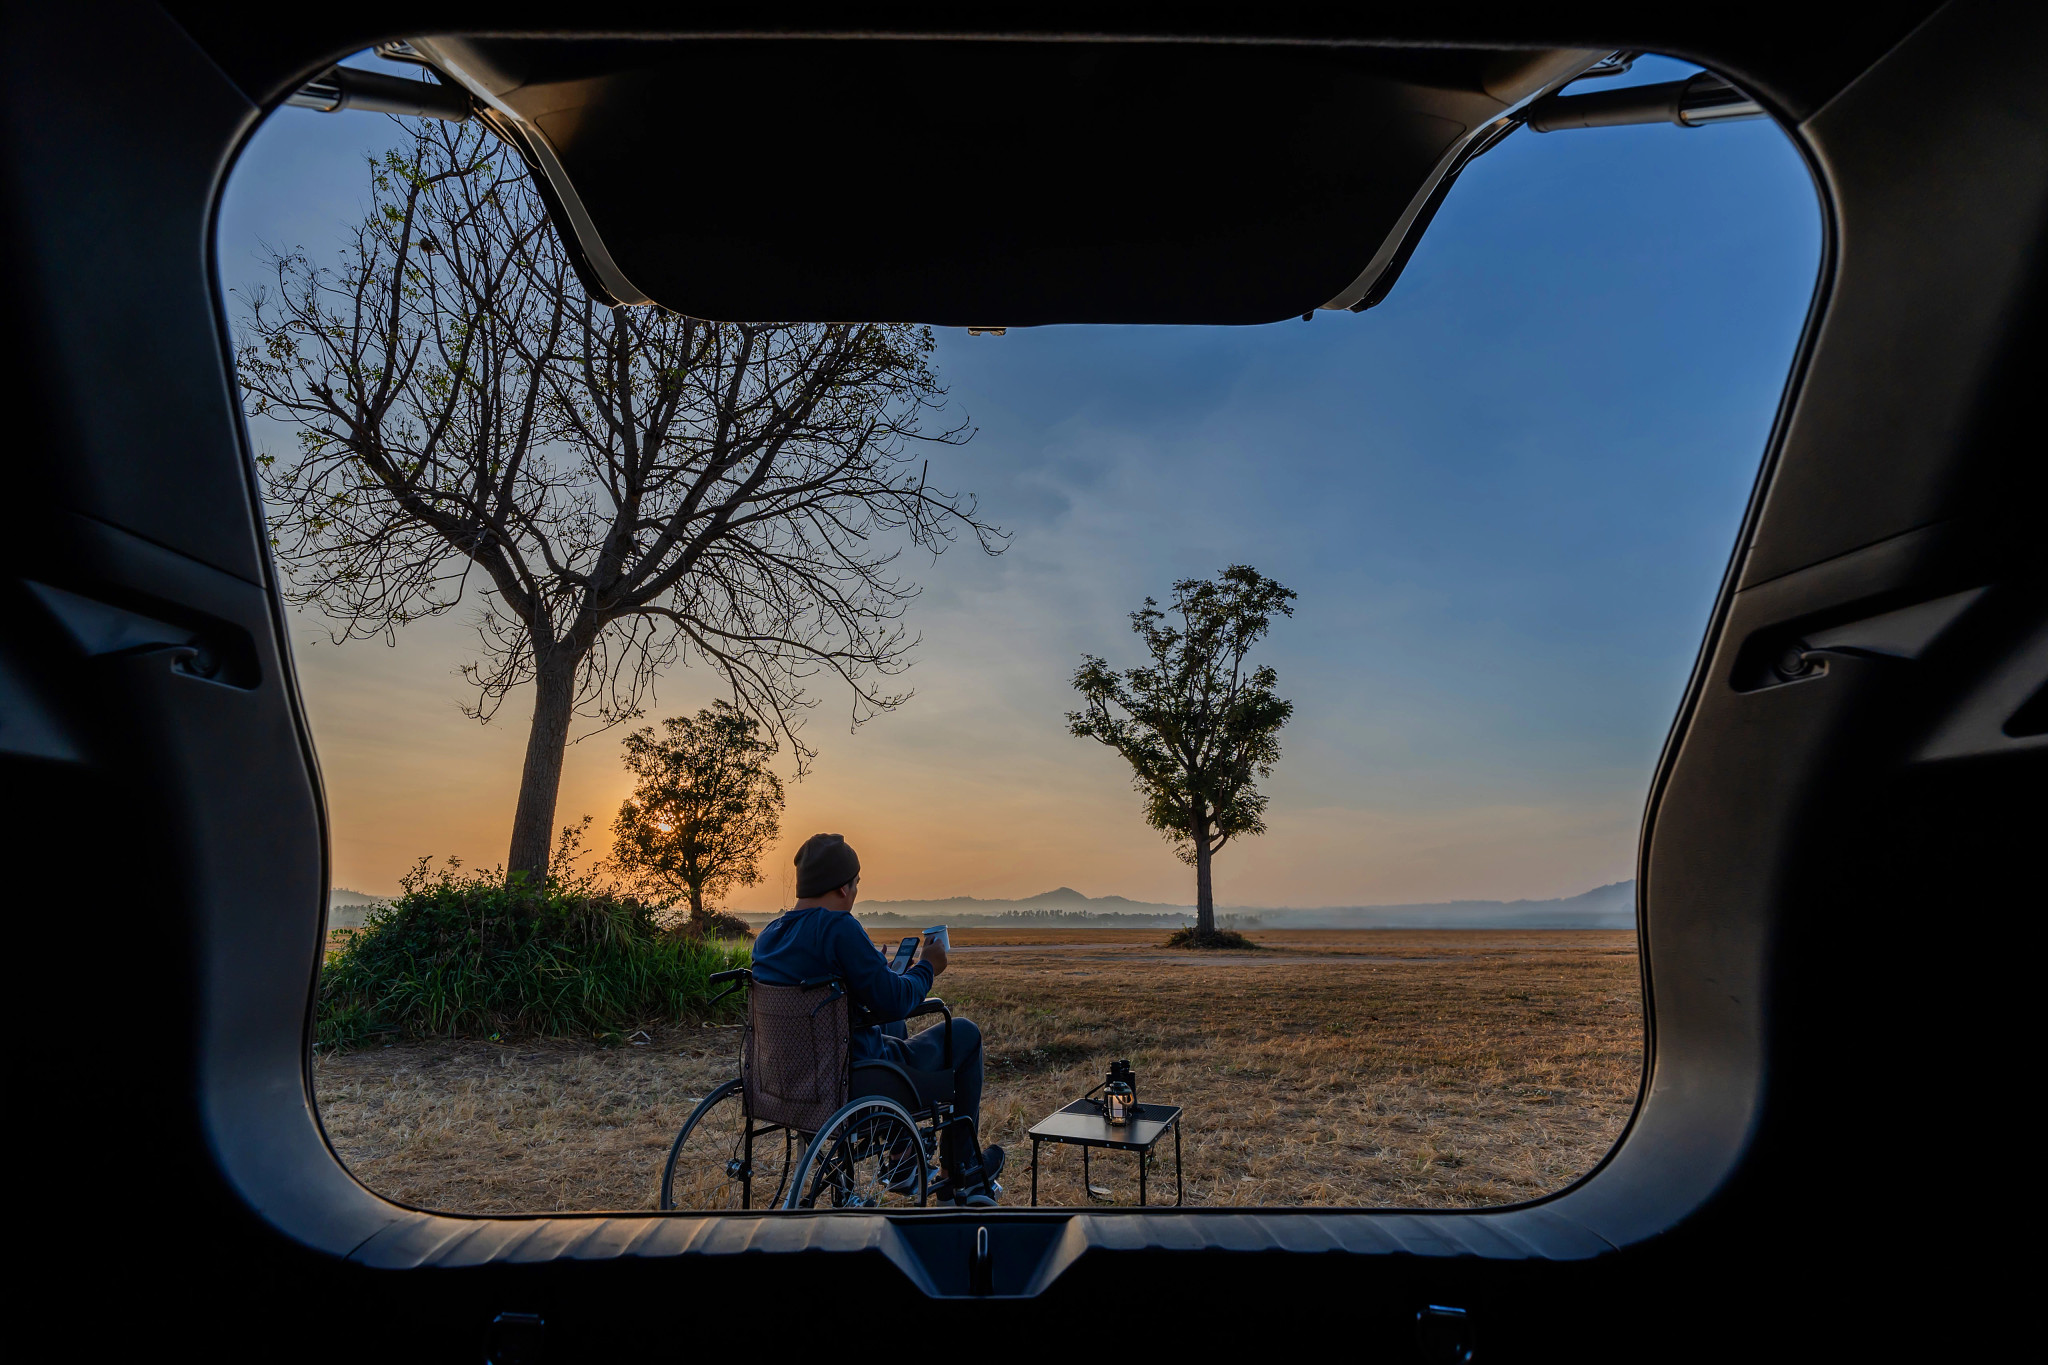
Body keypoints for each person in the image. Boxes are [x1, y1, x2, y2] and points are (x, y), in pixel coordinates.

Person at [750, 832, 1004, 1204]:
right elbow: (896, 1000)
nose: (854, 894)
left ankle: (902, 1159)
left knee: (891, 1027)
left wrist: (872, 971)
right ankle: (960, 1171)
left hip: (785, 1082)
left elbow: (842, 998)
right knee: (964, 1033)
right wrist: (926, 968)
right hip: (849, 1082)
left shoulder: (769, 936)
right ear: (842, 888)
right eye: (855, 885)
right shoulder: (839, 928)